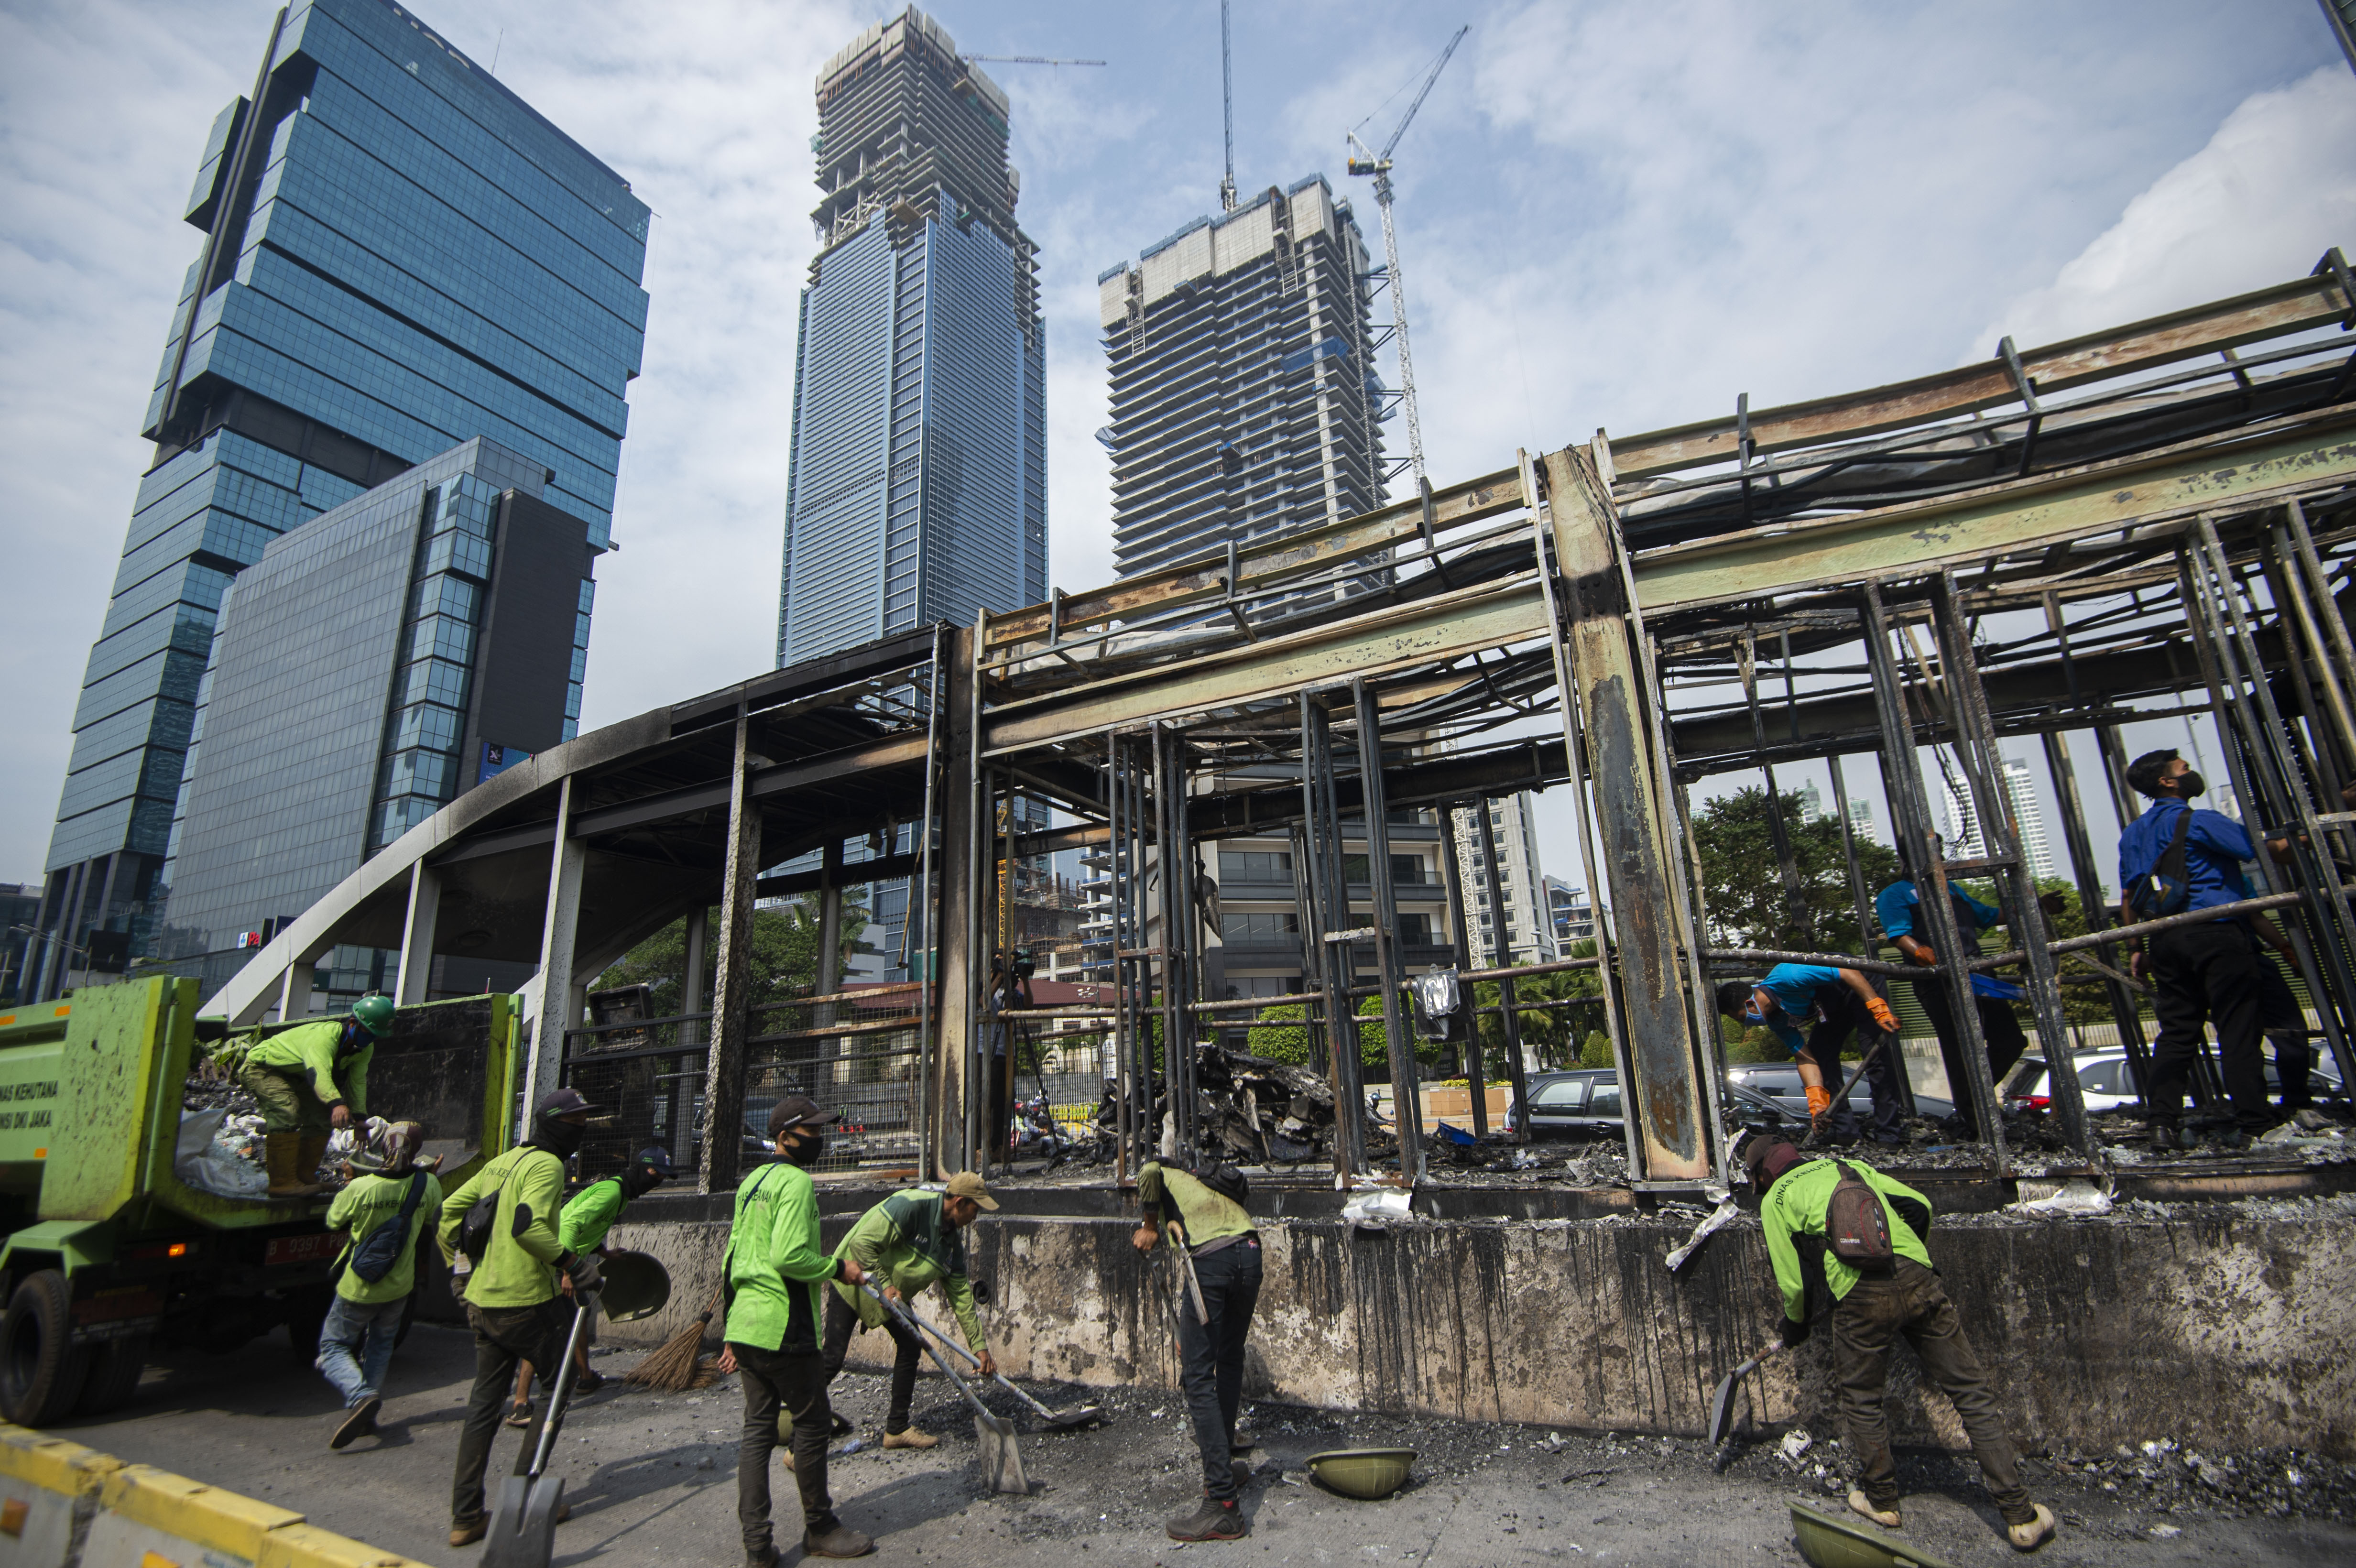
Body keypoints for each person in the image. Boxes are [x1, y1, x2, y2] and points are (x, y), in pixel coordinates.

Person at [1744, 1133, 2057, 1552]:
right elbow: (1919, 1206)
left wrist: (1795, 1324)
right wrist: (1911, 1256)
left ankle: (1883, 1502)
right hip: (1919, 1278)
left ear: (1764, 1173)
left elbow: (1794, 1284)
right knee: (1971, 1392)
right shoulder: (1849, 1166)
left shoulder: (1776, 1198)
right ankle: (2021, 1516)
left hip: (1859, 1297)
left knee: (1862, 1397)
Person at [435, 1088, 603, 1549]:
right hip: (528, 1302)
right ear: (553, 1124)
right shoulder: (548, 1166)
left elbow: (449, 1213)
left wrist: (460, 1275)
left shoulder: (501, 1163)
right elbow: (528, 1229)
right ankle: (524, 1501)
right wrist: (572, 1264)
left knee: (483, 1407)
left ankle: (466, 1515)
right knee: (561, 1386)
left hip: (484, 1304)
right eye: (576, 1122)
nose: (583, 1129)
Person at [721, 1097, 873, 1563]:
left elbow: (732, 1255)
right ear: (785, 1137)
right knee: (810, 1423)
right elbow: (788, 1258)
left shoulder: (752, 1182)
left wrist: (729, 1329)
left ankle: (757, 1548)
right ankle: (820, 1527)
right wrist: (837, 1267)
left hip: (745, 1323)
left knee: (757, 1431)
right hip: (783, 1326)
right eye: (810, 1130)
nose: (818, 1138)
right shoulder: (795, 1183)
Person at [2118, 749, 2291, 1148]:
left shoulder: (2133, 834)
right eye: (2184, 769)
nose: (2191, 773)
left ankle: (2162, 1123)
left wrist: (2136, 947)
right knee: (2238, 1028)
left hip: (2164, 939)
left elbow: (2130, 895)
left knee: (2177, 1033)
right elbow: (2257, 850)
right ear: (2168, 782)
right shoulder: (2201, 820)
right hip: (2215, 932)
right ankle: (2253, 1122)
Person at [821, 1170, 998, 1452]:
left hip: (892, 1297)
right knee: (832, 1358)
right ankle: (799, 1437)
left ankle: (897, 1430)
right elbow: (861, 1243)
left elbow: (962, 1297)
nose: (977, 1217)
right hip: (854, 1282)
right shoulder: (911, 1206)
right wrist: (886, 1286)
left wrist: (979, 1347)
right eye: (976, 1209)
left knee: (911, 1346)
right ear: (961, 1203)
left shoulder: (951, 1244)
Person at [1876, 878, 2065, 1138]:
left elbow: (1988, 915)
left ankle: (1975, 1096)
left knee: (2011, 1041)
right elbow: (1897, 934)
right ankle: (1975, 1119)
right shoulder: (1894, 893)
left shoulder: (1951, 888)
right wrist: (1920, 952)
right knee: (1958, 1048)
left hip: (1977, 972)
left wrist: (2034, 905)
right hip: (1938, 980)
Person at [506, 1144, 680, 1427]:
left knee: (579, 1317)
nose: (656, 1180)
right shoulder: (611, 1192)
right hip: (554, 1261)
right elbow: (570, 1225)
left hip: (568, 1260)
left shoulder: (621, 1196)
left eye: (662, 1177)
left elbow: (590, 1226)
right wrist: (567, 1270)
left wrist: (604, 1253)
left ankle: (585, 1376)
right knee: (544, 1330)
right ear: (639, 1168)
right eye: (653, 1173)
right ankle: (520, 1403)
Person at [1134, 1157, 1260, 1543]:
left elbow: (1147, 1171)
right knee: (1230, 1356)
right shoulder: (1202, 1187)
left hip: (1211, 1260)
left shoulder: (1165, 1173)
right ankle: (1224, 1467)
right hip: (1250, 1251)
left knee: (1198, 1375)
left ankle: (1221, 1503)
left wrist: (1149, 1226)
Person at [316, 1121, 441, 1449]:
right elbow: (432, 1219)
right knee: (380, 1346)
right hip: (399, 1287)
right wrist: (428, 1175)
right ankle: (367, 1416)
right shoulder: (427, 1185)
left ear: (385, 1147)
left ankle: (360, 1397)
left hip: (359, 1287)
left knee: (333, 1347)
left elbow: (332, 1221)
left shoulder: (361, 1187)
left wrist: (350, 1182)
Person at [1716, 964, 1907, 1145]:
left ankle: (1888, 1135)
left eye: (1742, 1018)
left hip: (1861, 984)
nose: (1746, 1024)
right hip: (1832, 1005)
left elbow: (1848, 971)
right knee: (1822, 1056)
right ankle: (1845, 1130)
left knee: (1874, 1057)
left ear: (1750, 1003)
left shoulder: (1789, 976)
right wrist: (1816, 1104)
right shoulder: (1777, 1021)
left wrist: (1879, 1009)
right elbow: (1804, 1058)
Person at [241, 993, 393, 1197]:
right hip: (264, 1068)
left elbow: (357, 1082)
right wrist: (337, 1103)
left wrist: (359, 1119)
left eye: (376, 1035)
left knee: (323, 1118)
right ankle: (281, 1183)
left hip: (297, 1075)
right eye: (369, 1032)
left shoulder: (364, 1049)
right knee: (287, 1111)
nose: (371, 1038)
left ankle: (304, 1178)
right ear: (352, 1023)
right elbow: (318, 1074)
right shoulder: (325, 1038)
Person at [982, 951, 1034, 1167]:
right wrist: (999, 976)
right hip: (989, 1054)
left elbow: (1029, 1006)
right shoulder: (988, 990)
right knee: (988, 1102)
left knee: (1005, 1103)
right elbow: (982, 1001)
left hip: (1008, 1054)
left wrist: (1024, 981)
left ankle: (1000, 1148)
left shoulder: (1013, 994)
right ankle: (983, 1148)